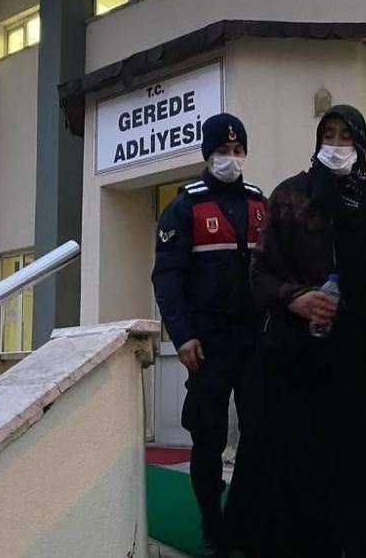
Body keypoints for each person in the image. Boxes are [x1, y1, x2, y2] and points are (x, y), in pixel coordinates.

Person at [229, 104, 366, 557]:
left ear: (360, 144)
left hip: (363, 359)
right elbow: (260, 274)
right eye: (328, 135)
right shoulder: (291, 195)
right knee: (305, 473)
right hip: (300, 359)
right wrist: (296, 298)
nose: (336, 145)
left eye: (345, 136)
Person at [151, 112, 267, 557]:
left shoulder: (259, 203)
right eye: (222, 150)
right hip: (208, 345)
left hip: (254, 342)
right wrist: (182, 336)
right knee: (209, 436)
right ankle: (212, 524)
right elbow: (167, 279)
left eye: (237, 150)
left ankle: (243, 517)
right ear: (207, 154)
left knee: (259, 433)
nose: (230, 158)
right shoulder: (184, 207)